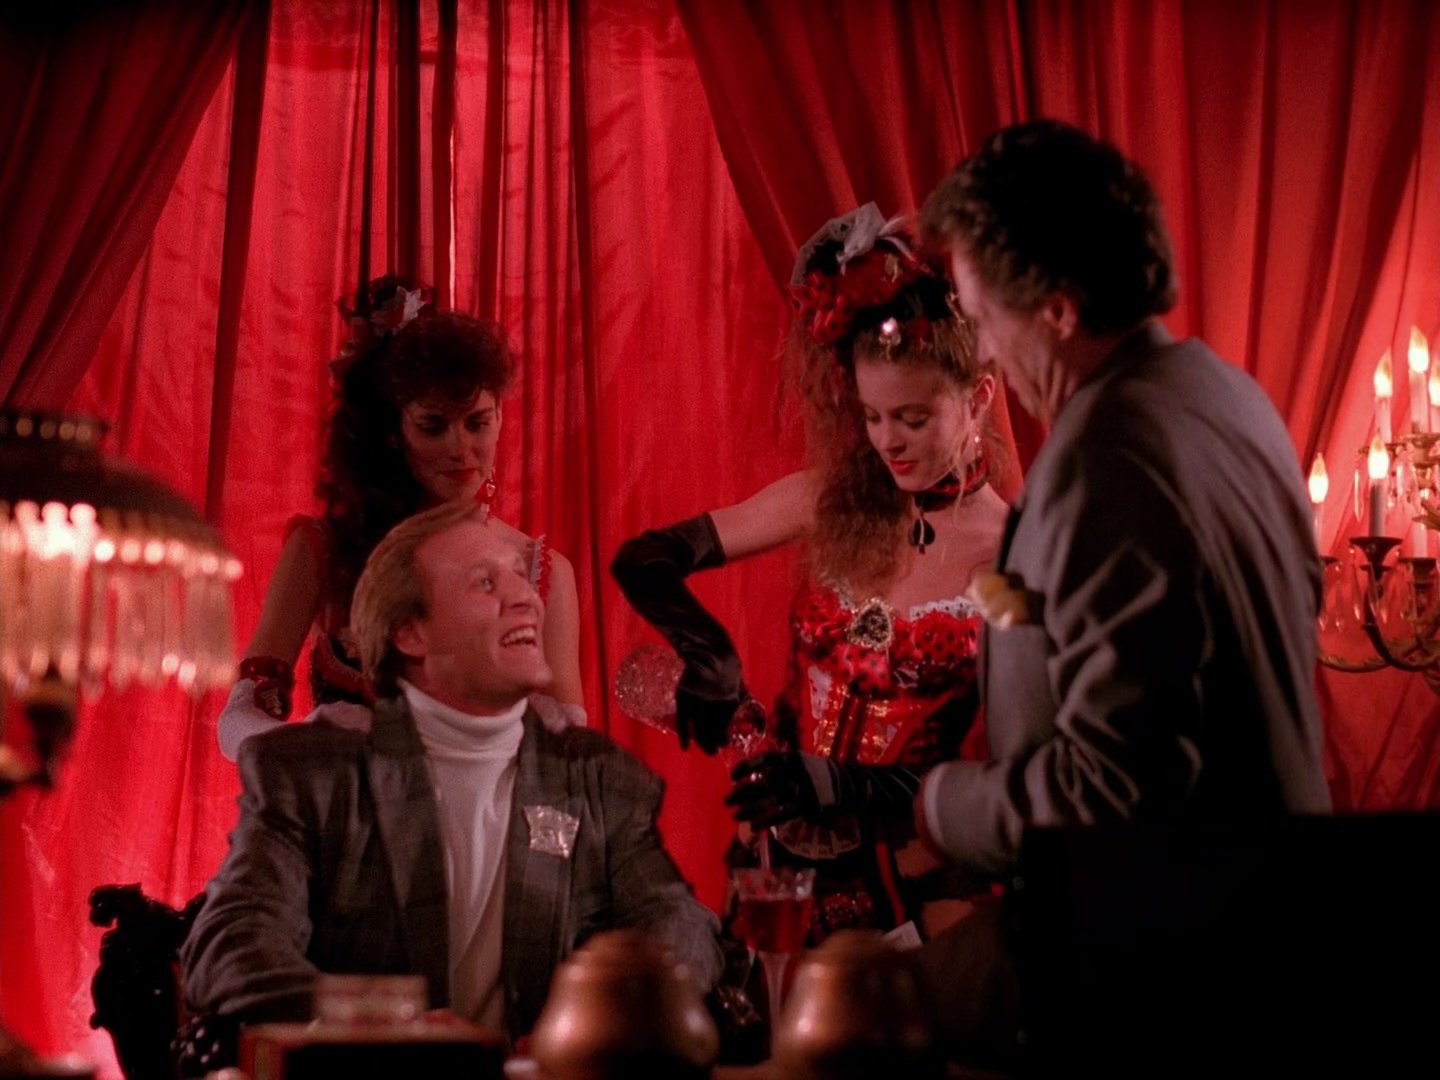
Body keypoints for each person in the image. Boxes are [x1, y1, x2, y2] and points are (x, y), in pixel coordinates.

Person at [913, 119, 1331, 876]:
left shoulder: (1104, 460)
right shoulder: (1230, 397)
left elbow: (1117, 791)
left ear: (1057, 308)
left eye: (984, 320)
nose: (985, 353)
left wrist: (944, 805)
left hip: (1179, 923)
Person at [181, 501, 723, 1054]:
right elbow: (230, 946)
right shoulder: (312, 778)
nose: (526, 599)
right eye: (486, 583)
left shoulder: (593, 776)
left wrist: (602, 1013)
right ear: (411, 633)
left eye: (520, 577)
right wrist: (388, 1025)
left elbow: (682, 926)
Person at [611, 204, 1010, 945]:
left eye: (913, 418)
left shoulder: (1009, 557)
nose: (888, 442)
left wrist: (835, 782)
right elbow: (644, 559)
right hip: (781, 873)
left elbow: (1013, 776)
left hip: (919, 890)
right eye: (872, 416)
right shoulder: (830, 500)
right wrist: (709, 656)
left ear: (979, 398)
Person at [216, 277, 583, 761]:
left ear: (499, 418)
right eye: (433, 426)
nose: (460, 448)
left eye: (477, 423)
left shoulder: (539, 572)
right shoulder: (325, 551)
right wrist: (312, 748)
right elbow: (237, 718)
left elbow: (565, 748)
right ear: (393, 431)